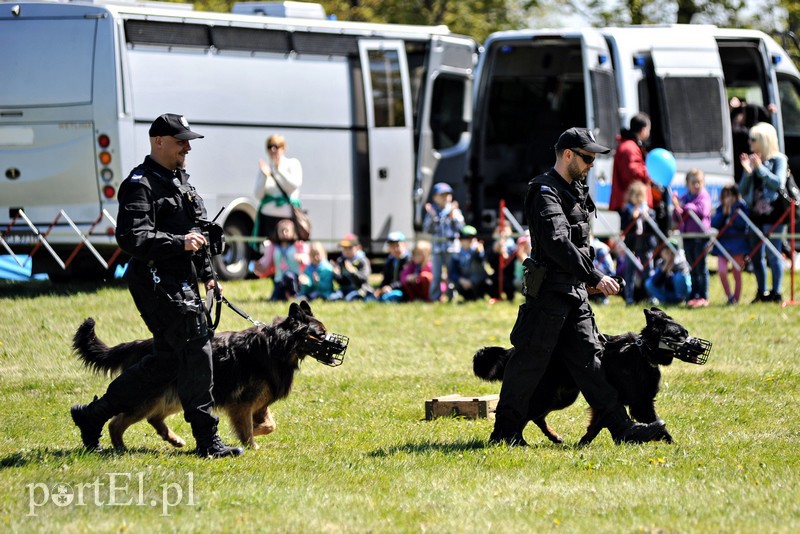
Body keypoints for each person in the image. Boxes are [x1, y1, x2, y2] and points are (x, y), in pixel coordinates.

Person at [70, 113, 243, 458]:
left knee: (165, 362)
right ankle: (207, 442)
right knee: (197, 349)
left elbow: (199, 233)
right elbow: (131, 237)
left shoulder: (181, 181)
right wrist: (179, 242)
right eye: (181, 142)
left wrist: (208, 276)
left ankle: (93, 415)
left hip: (181, 280)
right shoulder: (140, 184)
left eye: (188, 142)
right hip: (154, 280)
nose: (187, 148)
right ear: (159, 141)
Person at [490, 127, 666, 447]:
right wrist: (594, 276)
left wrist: (590, 280)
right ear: (568, 154)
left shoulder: (576, 189)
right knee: (528, 363)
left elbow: (581, 244)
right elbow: (558, 243)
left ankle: (622, 429)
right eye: (586, 158)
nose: (591, 165)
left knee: (592, 362)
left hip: (575, 295)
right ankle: (505, 433)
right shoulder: (545, 192)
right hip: (549, 297)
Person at [739, 122, 789, 303]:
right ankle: (762, 291)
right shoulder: (753, 160)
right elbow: (743, 190)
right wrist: (748, 171)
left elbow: (778, 183)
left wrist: (759, 168)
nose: (750, 143)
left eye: (753, 139)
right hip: (755, 215)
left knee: (773, 253)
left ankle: (776, 292)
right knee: (756, 255)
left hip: (774, 215)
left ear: (763, 140)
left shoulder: (779, 160)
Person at [253, 134, 303, 245]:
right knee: (269, 254)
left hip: (288, 218)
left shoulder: (293, 163)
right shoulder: (265, 168)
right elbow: (258, 195)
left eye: (276, 146)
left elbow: (294, 185)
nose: (273, 149)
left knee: (288, 251)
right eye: (270, 147)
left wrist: (278, 170)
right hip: (268, 218)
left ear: (283, 148)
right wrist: (265, 175)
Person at [672, 169, 712, 308]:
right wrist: (677, 207)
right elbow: (677, 217)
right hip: (688, 237)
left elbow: (703, 211)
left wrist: (687, 207)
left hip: (700, 237)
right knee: (692, 267)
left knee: (701, 268)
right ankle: (694, 295)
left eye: (699, 182)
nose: (696, 185)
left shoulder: (704, 196)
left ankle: (704, 295)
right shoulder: (685, 197)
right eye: (693, 182)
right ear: (687, 184)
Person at [423, 182, 464, 301]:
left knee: (451, 273)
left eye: (447, 195)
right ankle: (435, 297)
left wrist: (452, 216)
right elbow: (427, 229)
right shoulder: (432, 211)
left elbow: (461, 228)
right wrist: (433, 217)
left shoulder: (454, 210)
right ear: (435, 197)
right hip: (437, 248)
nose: (445, 198)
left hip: (452, 248)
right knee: (436, 275)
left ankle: (452, 296)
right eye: (441, 195)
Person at [711, 184, 750, 305]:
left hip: (737, 245)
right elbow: (715, 223)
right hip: (723, 245)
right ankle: (729, 296)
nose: (728, 199)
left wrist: (733, 212)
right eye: (725, 196)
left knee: (736, 272)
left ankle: (736, 298)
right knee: (722, 270)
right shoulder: (720, 208)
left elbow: (742, 224)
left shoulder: (741, 207)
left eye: (730, 196)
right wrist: (724, 213)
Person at [619, 180, 657, 304]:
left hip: (645, 245)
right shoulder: (626, 211)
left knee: (648, 271)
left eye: (641, 195)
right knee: (629, 272)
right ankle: (629, 297)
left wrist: (647, 219)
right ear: (631, 196)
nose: (639, 198)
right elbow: (624, 227)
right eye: (636, 195)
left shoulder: (650, 212)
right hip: (632, 245)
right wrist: (632, 218)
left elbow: (654, 229)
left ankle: (651, 296)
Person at [253, 218, 309, 301]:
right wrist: (259, 266)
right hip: (279, 279)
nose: (284, 233)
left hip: (294, 279)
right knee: (275, 299)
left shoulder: (298, 246)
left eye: (286, 230)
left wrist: (301, 258)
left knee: (289, 276)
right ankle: (285, 296)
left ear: (293, 232)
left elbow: (307, 259)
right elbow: (266, 262)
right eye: (281, 231)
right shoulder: (273, 247)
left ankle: (296, 295)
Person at [609, 113, 653, 213]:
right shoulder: (630, 148)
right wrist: (650, 173)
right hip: (630, 204)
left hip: (628, 202)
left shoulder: (628, 146)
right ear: (644, 129)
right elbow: (632, 173)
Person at [448, 225, 490, 301]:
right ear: (460, 240)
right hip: (464, 284)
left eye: (472, 238)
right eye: (467, 238)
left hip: (478, 284)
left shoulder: (478, 251)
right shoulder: (456, 255)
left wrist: (480, 253)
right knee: (452, 283)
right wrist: (462, 280)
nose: (470, 240)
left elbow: (483, 263)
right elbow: (452, 273)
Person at [645, 238, 692, 305]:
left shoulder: (682, 262)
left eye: (671, 251)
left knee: (680, 276)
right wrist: (666, 265)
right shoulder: (660, 263)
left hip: (680, 293)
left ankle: (681, 299)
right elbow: (656, 282)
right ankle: (665, 301)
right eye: (666, 250)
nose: (669, 254)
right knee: (648, 283)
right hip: (668, 293)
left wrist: (672, 265)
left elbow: (685, 276)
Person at [330, 233, 373, 301]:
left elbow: (364, 278)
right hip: (345, 288)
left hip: (360, 289)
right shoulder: (341, 260)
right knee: (333, 297)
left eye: (349, 248)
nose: (346, 251)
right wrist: (336, 274)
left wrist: (352, 272)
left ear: (357, 247)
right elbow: (341, 281)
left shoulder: (362, 260)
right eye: (344, 248)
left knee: (351, 298)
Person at [372, 231, 410, 302]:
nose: (395, 249)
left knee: (387, 299)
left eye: (397, 246)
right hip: (391, 289)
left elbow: (404, 280)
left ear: (404, 245)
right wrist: (381, 288)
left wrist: (391, 287)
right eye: (392, 246)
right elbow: (386, 278)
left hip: (405, 290)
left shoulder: (408, 260)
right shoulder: (390, 261)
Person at [488, 219, 518, 301]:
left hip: (510, 275)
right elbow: (490, 261)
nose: (502, 229)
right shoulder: (492, 244)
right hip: (497, 274)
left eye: (505, 227)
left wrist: (504, 253)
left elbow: (511, 261)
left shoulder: (514, 244)